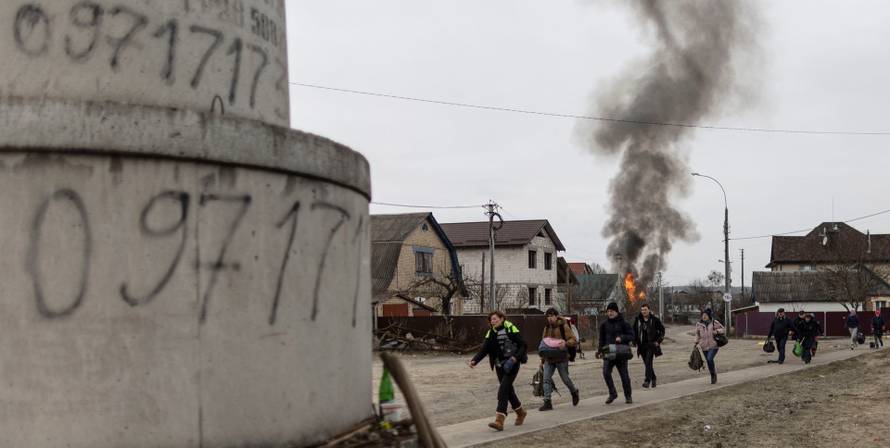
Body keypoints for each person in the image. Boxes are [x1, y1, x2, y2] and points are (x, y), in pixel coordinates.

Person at [469, 311, 528, 431]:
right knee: (508, 390)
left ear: (502, 319)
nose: (493, 321)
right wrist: (475, 360)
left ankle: (499, 420)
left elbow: (523, 345)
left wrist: (515, 358)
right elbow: (484, 350)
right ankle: (521, 412)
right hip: (499, 366)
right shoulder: (491, 333)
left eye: (495, 319)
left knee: (503, 390)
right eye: (491, 319)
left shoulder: (511, 328)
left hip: (512, 364)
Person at [538, 308, 580, 411]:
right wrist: (542, 361)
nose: (550, 318)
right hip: (549, 358)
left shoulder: (563, 326)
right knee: (546, 379)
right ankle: (547, 402)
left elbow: (573, 340)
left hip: (561, 358)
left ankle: (574, 392)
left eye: (552, 316)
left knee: (565, 379)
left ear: (556, 316)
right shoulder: (546, 328)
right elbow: (544, 344)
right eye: (548, 316)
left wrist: (565, 343)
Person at [598, 302, 634, 404]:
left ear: (616, 312)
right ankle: (612, 393)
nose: (609, 313)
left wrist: (622, 338)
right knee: (606, 373)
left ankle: (628, 396)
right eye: (608, 311)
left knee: (624, 375)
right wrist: (599, 351)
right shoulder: (604, 325)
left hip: (621, 353)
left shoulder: (624, 323)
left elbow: (631, 335)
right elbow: (601, 339)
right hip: (609, 352)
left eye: (612, 311)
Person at [633, 302, 665, 388]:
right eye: (642, 310)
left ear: (649, 310)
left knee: (648, 362)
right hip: (641, 345)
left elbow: (662, 330)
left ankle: (647, 381)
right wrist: (634, 341)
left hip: (651, 345)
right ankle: (654, 377)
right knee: (647, 364)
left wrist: (658, 341)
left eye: (645, 310)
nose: (643, 311)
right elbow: (634, 331)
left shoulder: (654, 320)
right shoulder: (638, 320)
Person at [695, 309, 725, 384]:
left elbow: (723, 329)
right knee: (709, 361)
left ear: (709, 316)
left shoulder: (714, 322)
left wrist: (717, 331)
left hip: (713, 345)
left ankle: (713, 375)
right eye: (703, 315)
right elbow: (697, 334)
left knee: (709, 358)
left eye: (705, 315)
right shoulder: (699, 324)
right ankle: (713, 373)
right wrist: (696, 341)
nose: (704, 316)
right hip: (703, 346)